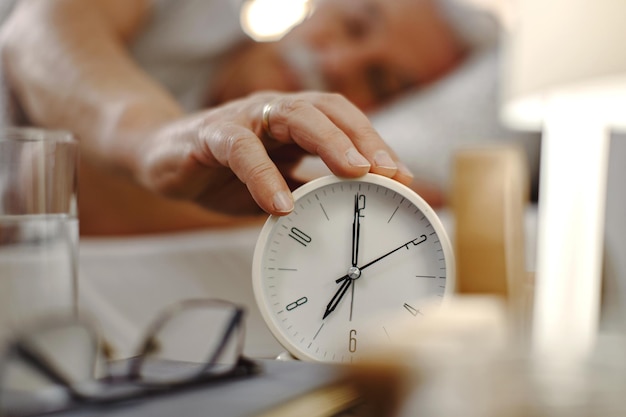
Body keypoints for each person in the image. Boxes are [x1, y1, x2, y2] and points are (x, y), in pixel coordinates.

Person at [0, 0, 471, 236]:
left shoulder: (304, 189)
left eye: (380, 82)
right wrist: (153, 138)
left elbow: (55, 186)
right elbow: (34, 29)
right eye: (352, 24)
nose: (337, 64)